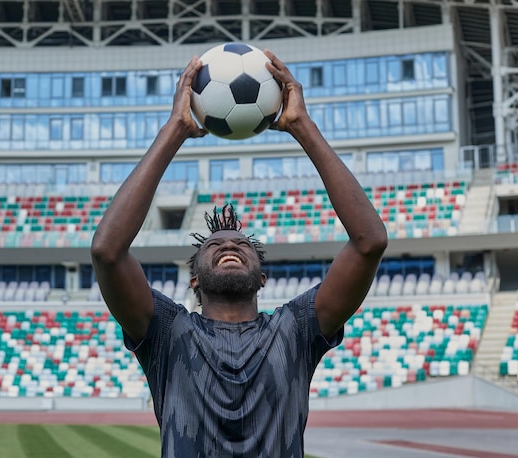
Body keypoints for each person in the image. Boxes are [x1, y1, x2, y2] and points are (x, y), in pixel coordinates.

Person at [91, 50, 388, 457]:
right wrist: (174, 130)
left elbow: (370, 242)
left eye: (242, 245)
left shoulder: (295, 330)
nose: (229, 244)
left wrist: (302, 126)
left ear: (262, 278)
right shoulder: (167, 333)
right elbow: (107, 252)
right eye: (214, 245)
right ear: (194, 278)